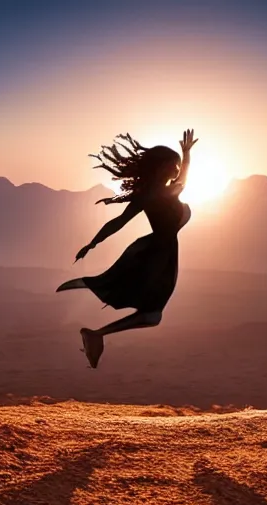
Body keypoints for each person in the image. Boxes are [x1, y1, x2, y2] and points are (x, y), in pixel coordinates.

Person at [56, 129, 198, 368]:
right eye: (173, 166)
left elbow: (182, 178)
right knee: (152, 315)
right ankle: (96, 330)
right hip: (158, 254)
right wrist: (93, 243)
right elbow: (118, 223)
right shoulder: (155, 195)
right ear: (162, 167)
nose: (176, 170)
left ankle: (96, 333)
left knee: (151, 315)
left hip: (161, 252)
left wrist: (185, 155)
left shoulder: (158, 193)